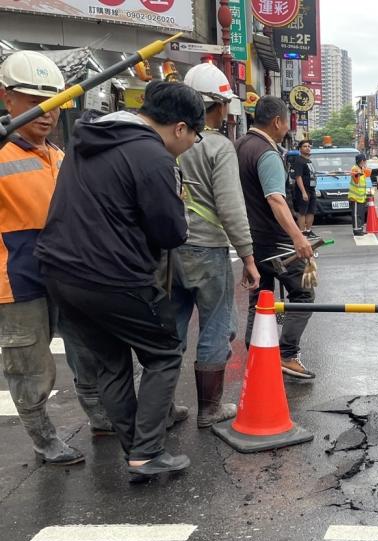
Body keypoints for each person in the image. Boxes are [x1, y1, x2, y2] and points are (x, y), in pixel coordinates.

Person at [36, 80, 205, 478]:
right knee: (163, 353)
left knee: (111, 363)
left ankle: (139, 452)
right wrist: (177, 207)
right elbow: (169, 233)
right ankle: (146, 450)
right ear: (180, 128)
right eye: (194, 136)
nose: (191, 145)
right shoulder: (152, 156)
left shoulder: (89, 138)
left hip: (61, 274)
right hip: (112, 276)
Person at [0, 52, 106, 465]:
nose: (47, 113)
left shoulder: (59, 155)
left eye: (54, 102)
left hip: (66, 273)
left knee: (87, 350)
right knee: (29, 363)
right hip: (18, 277)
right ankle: (44, 439)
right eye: (34, 102)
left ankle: (99, 415)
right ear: (7, 98)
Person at [174, 63, 260, 428]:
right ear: (220, 106)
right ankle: (209, 409)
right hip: (207, 249)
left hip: (170, 247)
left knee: (171, 326)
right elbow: (230, 205)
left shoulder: (168, 140)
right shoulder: (217, 146)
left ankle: (160, 408)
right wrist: (248, 257)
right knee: (215, 325)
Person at [238, 96, 317, 379]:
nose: (287, 129)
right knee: (304, 293)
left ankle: (256, 352)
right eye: (286, 122)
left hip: (248, 238)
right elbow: (275, 199)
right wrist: (298, 237)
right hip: (272, 239)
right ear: (276, 122)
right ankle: (286, 354)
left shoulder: (239, 146)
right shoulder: (267, 152)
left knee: (261, 296)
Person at [292, 140, 318, 236]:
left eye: (309, 146)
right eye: (305, 146)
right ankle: (302, 232)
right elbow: (298, 177)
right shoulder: (299, 161)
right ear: (300, 148)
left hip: (312, 189)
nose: (307, 148)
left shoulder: (309, 160)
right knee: (302, 212)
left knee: (311, 211)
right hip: (303, 190)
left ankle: (308, 231)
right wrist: (303, 192)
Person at [349, 153, 368, 236]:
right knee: (356, 214)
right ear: (362, 161)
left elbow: (370, 173)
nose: (365, 162)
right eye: (365, 161)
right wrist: (357, 175)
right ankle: (356, 230)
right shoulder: (355, 169)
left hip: (361, 197)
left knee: (360, 214)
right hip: (356, 197)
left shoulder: (361, 169)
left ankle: (360, 229)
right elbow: (356, 179)